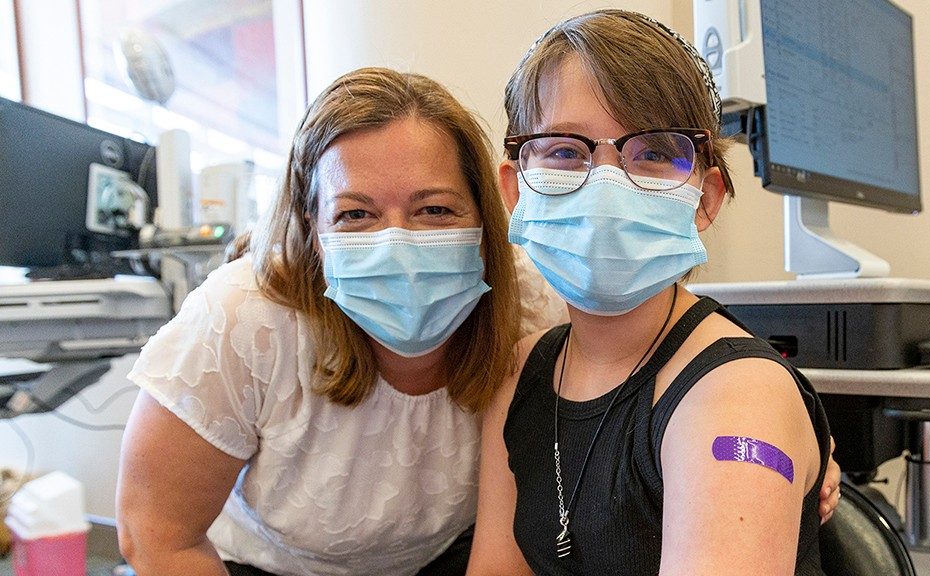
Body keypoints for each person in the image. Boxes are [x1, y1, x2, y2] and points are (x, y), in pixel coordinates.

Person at [114, 67, 564, 576]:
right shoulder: (244, 319)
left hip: (446, 558)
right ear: (314, 230)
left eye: (435, 209)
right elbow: (154, 535)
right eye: (356, 214)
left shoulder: (529, 306)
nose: (398, 245)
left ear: (484, 219)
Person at [469, 9, 834, 576]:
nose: (606, 180)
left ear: (706, 198)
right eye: (566, 150)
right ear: (517, 190)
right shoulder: (520, 375)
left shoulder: (739, 394)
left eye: (655, 152)